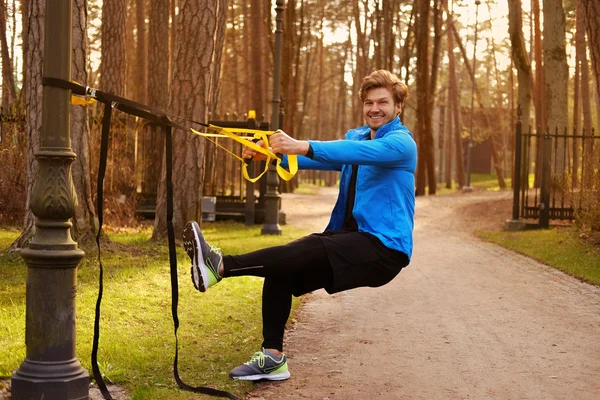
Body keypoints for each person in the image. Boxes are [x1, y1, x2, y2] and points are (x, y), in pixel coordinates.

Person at [182, 69, 417, 382]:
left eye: (383, 102)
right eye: (369, 102)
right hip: (351, 239)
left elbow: (356, 153)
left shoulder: (401, 144)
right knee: (283, 267)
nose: (375, 108)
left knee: (304, 247)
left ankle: (220, 266)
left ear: (398, 106)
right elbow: (325, 158)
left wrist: (302, 144)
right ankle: (272, 358)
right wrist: (270, 151)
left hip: (384, 247)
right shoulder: (359, 136)